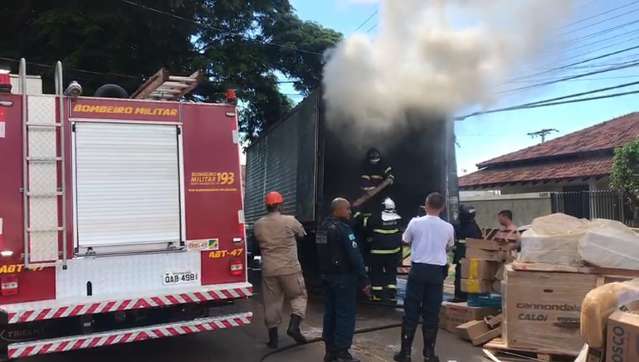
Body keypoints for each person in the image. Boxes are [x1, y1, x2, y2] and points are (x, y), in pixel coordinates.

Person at [394, 193, 454, 362]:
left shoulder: (415, 222)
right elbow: (449, 246)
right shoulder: (448, 227)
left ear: (426, 205)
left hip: (418, 270)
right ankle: (429, 354)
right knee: (432, 313)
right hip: (437, 273)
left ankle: (405, 353)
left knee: (411, 311)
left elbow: (405, 240)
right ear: (442, 208)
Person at [317, 198, 371, 362]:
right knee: (345, 315)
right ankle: (342, 352)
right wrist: (364, 279)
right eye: (347, 209)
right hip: (344, 278)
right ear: (338, 210)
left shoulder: (322, 228)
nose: (349, 212)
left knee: (330, 313)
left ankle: (330, 351)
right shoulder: (343, 229)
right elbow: (355, 256)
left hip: (327, 277)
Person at [253, 191, 308, 349]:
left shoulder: (258, 224)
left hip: (269, 269)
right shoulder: (290, 221)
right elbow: (302, 235)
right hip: (290, 268)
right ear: (280, 204)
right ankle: (294, 326)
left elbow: (256, 243)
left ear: (266, 205)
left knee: (271, 303)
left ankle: (273, 340)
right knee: (299, 296)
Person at [364, 197, 402, 303]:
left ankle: (377, 295)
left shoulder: (374, 217)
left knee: (376, 272)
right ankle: (391, 294)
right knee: (391, 272)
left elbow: (367, 230)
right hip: (393, 252)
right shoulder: (396, 217)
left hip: (377, 252)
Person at [452, 205, 482, 302]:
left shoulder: (466, 227)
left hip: (465, 254)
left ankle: (461, 296)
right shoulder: (473, 226)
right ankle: (463, 295)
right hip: (468, 254)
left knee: (462, 275)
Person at [359, 148, 394, 214]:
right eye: (372, 157)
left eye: (376, 156)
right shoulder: (364, 167)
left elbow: (390, 178)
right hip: (366, 197)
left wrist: (388, 180)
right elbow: (364, 183)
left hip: (380, 196)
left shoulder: (384, 166)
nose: (375, 158)